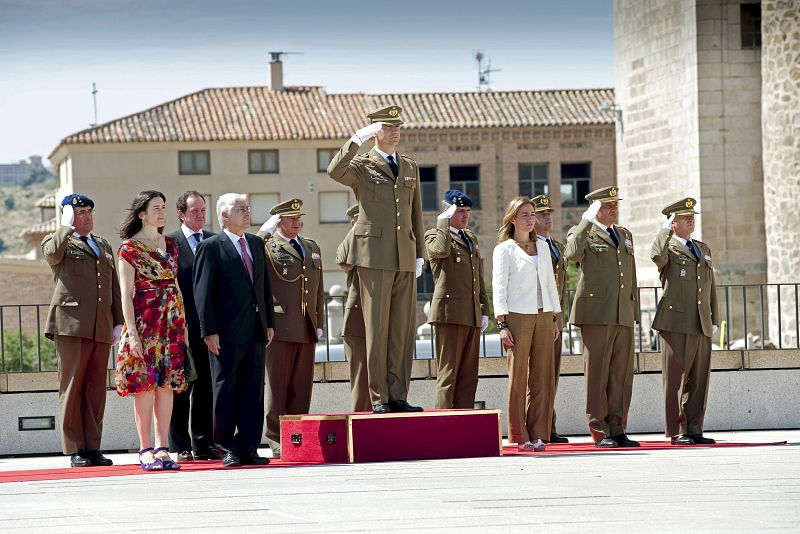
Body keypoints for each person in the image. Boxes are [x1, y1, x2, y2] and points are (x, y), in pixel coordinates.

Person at [327, 105, 426, 414]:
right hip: (374, 256)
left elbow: (415, 212)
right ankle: (379, 396)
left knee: (401, 330)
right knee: (377, 329)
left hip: (404, 255)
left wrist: (419, 253)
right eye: (387, 127)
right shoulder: (361, 165)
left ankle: (398, 395)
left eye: (398, 126)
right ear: (374, 131)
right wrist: (357, 139)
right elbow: (334, 171)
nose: (395, 131)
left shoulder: (409, 166)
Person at [193, 193, 275, 467]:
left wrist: (269, 322)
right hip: (225, 333)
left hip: (255, 329)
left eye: (247, 208)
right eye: (241, 208)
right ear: (224, 215)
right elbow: (202, 292)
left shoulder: (255, 243)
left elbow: (264, 286)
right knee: (225, 389)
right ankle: (226, 447)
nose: (247, 212)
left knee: (253, 390)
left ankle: (249, 447)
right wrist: (208, 330)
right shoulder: (210, 247)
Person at [42, 194, 124, 468]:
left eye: (89, 211)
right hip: (71, 325)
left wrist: (118, 321)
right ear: (68, 215)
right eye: (80, 212)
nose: (87, 216)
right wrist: (66, 226)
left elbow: (113, 285)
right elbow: (52, 255)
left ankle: (92, 447)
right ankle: (75, 448)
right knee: (72, 387)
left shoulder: (102, 244)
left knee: (95, 390)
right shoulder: (59, 240)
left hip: (100, 325)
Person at [115, 190, 188, 471]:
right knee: (144, 386)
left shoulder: (171, 244)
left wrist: (184, 324)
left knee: (167, 385)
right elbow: (125, 293)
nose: (161, 212)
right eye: (156, 208)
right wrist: (132, 333)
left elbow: (175, 283)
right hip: (145, 324)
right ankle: (145, 449)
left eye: (163, 207)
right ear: (142, 214)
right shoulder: (129, 248)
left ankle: (163, 447)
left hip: (171, 323)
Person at [565, 186, 640, 448]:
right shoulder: (582, 232)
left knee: (621, 375)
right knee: (597, 374)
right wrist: (586, 220)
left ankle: (618, 428)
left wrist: (634, 311)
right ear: (595, 208)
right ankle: (599, 430)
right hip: (596, 314)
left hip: (622, 313)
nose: (613, 209)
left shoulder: (624, 234)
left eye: (614, 204)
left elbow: (631, 275)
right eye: (606, 205)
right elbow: (572, 254)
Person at [493, 197, 561, 452]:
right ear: (513, 219)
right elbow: (499, 287)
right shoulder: (504, 249)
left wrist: (554, 317)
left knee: (542, 376)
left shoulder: (542, 246)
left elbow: (550, 284)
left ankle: (538, 434)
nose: (531, 219)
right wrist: (502, 324)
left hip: (543, 314)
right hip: (517, 316)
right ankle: (519, 435)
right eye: (525, 215)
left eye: (533, 214)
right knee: (518, 375)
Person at [257, 198, 324, 458]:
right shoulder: (268, 246)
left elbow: (317, 288)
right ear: (279, 222)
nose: (297, 221)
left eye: (298, 217)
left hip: (306, 324)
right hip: (280, 325)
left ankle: (298, 434)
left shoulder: (311, 246)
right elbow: (250, 255)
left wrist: (318, 321)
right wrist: (263, 232)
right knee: (278, 384)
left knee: (301, 386)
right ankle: (276, 438)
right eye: (290, 218)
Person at [651, 197, 719, 445]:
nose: (691, 220)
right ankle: (676, 431)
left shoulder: (702, 249)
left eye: (692, 216)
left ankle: (694, 428)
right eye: (684, 217)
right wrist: (665, 231)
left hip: (701, 322)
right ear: (673, 222)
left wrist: (714, 317)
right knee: (676, 380)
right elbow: (656, 257)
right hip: (676, 322)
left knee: (699, 380)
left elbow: (711, 287)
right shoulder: (668, 248)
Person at [425, 190, 489, 409]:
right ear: (448, 211)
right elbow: (440, 251)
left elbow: (478, 276)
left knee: (469, 376)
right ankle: (443, 422)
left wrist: (484, 310)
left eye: (468, 211)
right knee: (448, 374)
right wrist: (443, 221)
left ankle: (465, 421)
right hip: (449, 314)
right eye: (460, 211)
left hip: (471, 314)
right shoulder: (434, 235)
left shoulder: (470, 237)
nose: (466, 215)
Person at [167, 191, 218, 462]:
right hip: (180, 328)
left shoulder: (214, 240)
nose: (200, 215)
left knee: (206, 388)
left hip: (209, 328)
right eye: (194, 210)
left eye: (202, 210)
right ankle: (180, 445)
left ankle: (204, 443)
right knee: (181, 387)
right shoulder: (170, 243)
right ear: (181, 214)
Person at [531, 194, 570, 444]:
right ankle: (538, 428)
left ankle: (549, 426)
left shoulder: (556, 245)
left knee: (552, 377)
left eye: (549, 213)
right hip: (540, 317)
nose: (548, 218)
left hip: (556, 319)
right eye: (542, 214)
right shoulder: (530, 246)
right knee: (539, 377)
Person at [336, 203, 370, 412]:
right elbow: (342, 259)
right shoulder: (352, 242)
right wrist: (356, 231)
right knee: (362, 376)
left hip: (384, 316)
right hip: (359, 318)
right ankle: (361, 420)